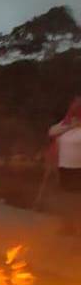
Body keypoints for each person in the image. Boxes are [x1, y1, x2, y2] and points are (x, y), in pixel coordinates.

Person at [48, 98, 81, 235]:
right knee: (66, 198)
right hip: (64, 166)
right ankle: (68, 226)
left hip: (79, 167)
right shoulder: (67, 124)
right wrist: (71, 125)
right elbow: (52, 132)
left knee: (77, 199)